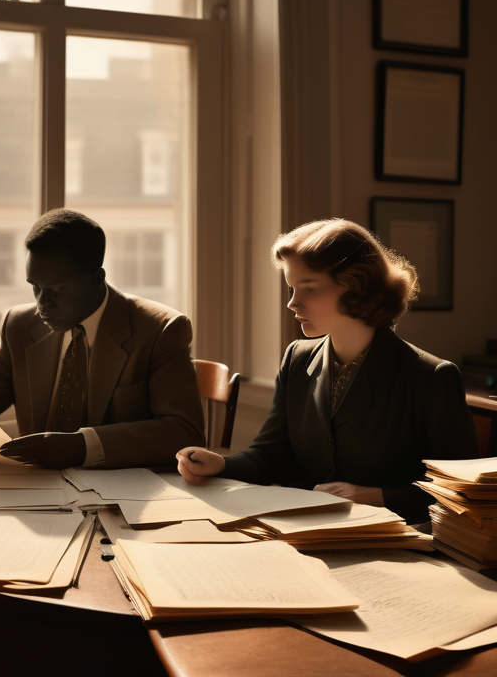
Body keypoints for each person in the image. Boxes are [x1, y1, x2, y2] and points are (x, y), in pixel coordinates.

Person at [176, 218, 478, 524]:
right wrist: (220, 465)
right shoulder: (297, 358)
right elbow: (270, 455)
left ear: (355, 287)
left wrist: (378, 496)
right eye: (292, 288)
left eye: (308, 288)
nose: (293, 303)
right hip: (299, 531)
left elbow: (462, 494)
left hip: (392, 542)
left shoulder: (432, 377)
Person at [0, 208, 205, 470]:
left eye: (55, 289)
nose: (41, 303)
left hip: (125, 494)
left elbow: (184, 432)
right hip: (34, 489)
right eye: (35, 287)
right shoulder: (18, 324)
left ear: (97, 279)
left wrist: (82, 446)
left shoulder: (161, 329)